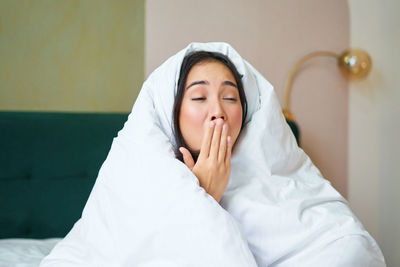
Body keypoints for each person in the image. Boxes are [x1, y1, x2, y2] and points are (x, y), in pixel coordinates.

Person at [41, 42, 385, 266]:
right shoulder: (140, 171)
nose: (218, 111)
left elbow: (346, 245)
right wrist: (201, 198)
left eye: (231, 98)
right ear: (172, 111)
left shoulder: (270, 168)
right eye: (199, 97)